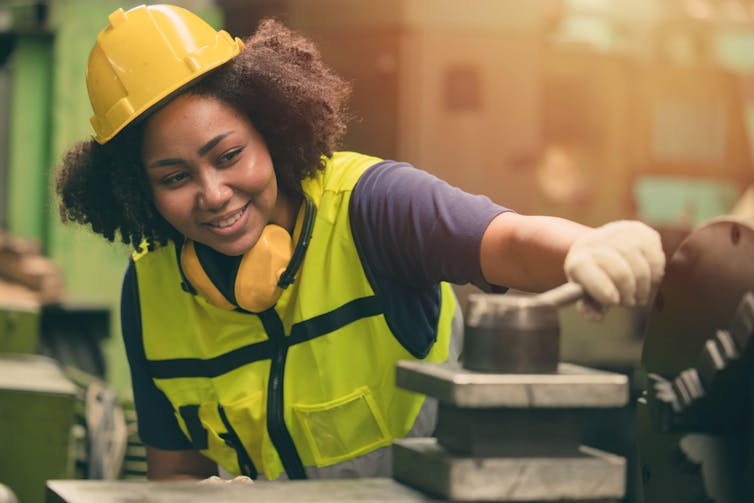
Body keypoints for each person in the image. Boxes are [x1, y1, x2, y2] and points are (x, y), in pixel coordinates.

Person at [55, 4, 665, 482]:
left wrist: (585, 246)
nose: (213, 194)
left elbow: (506, 242)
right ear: (139, 194)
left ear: (269, 127)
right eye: (175, 178)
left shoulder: (371, 205)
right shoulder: (152, 289)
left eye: (229, 155)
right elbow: (176, 472)